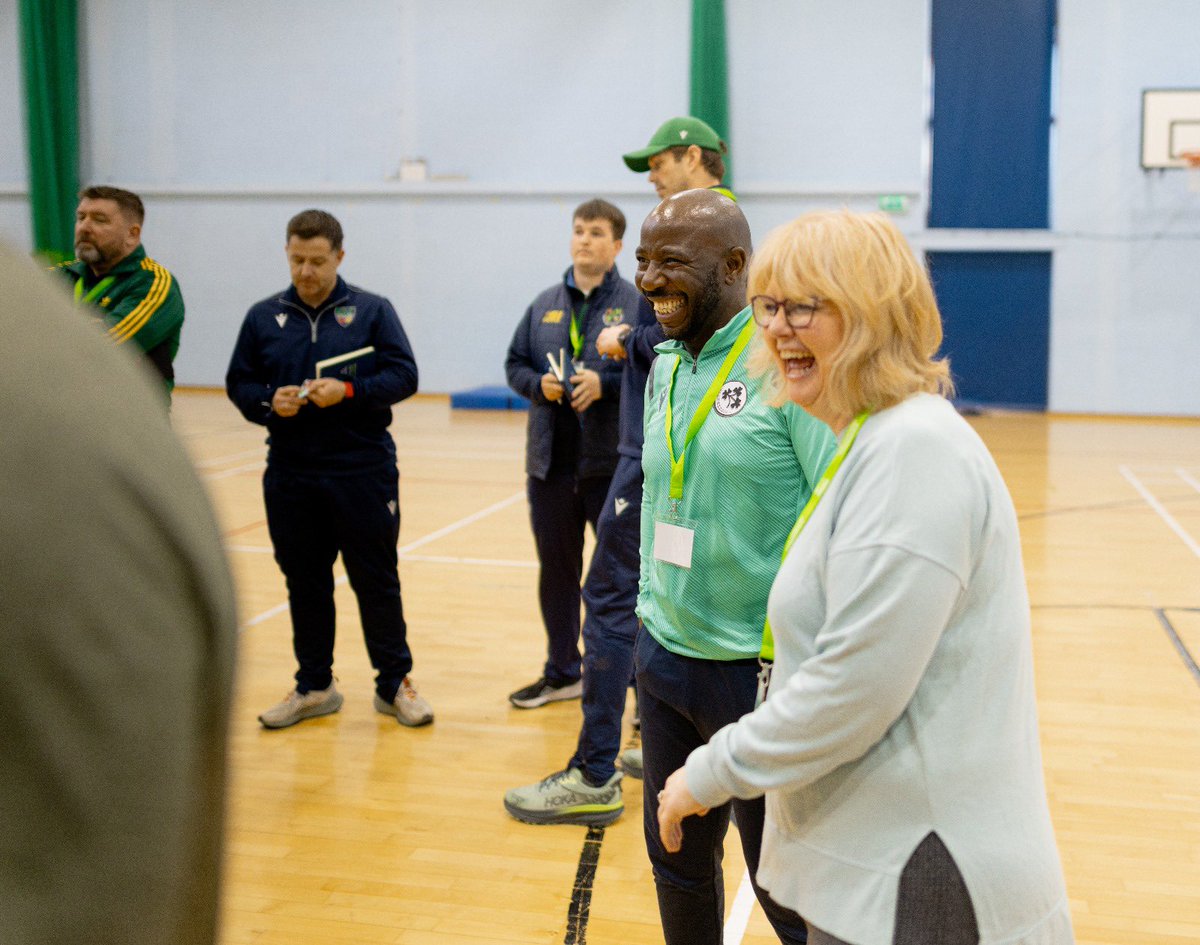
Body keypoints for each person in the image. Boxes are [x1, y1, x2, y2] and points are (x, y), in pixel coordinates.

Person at [657, 210, 1075, 945]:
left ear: (876, 314)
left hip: (924, 874)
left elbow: (855, 685)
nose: (779, 328)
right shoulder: (871, 439)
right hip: (878, 866)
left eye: (806, 306)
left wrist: (710, 771)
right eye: (769, 306)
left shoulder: (915, 450)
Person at [0, 242, 237, 944]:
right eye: (79, 213)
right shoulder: (50, 305)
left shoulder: (58, 384)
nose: (82, 226)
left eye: (99, 217)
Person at [635, 190, 836, 945]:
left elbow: (832, 509)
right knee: (677, 859)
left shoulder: (785, 366)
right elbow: (659, 493)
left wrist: (800, 660)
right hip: (664, 660)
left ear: (734, 266)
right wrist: (648, 620)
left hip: (755, 674)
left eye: (671, 263)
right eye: (643, 263)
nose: (651, 281)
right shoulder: (663, 365)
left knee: (782, 887)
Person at [226, 208, 433, 730]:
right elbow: (239, 384)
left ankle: (393, 684)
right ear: (287, 254)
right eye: (297, 260)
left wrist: (349, 391)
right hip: (291, 474)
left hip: (362, 471)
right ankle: (315, 686)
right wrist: (270, 403)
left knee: (376, 580)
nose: (306, 272)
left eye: (317, 261)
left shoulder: (371, 311)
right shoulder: (262, 316)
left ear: (339, 256)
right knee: (305, 582)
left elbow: (405, 375)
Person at [503, 199, 637, 712]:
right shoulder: (544, 304)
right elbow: (515, 364)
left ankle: (629, 680)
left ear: (617, 245)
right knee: (556, 571)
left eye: (597, 232)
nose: (585, 240)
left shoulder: (634, 302)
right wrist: (538, 384)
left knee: (619, 577)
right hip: (551, 466)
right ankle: (562, 670)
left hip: (611, 466)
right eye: (579, 231)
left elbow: (655, 370)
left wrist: (604, 384)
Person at [55, 185, 185, 397]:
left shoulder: (155, 283)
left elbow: (100, 348)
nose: (84, 227)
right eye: (81, 217)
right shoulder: (59, 276)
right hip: (62, 412)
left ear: (132, 234)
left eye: (99, 220)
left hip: (128, 420)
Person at [622, 115, 736, 201]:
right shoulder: (722, 214)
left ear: (692, 158)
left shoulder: (704, 219)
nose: (651, 178)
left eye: (658, 165)